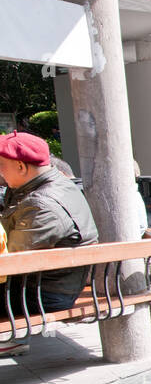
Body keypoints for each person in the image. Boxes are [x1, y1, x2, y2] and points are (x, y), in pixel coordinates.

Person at [0, 131, 99, 315]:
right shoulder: (54, 182)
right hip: (40, 285)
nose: (0, 171)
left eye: (1, 165)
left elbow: (9, 261)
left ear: (21, 167)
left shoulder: (42, 205)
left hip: (42, 294)